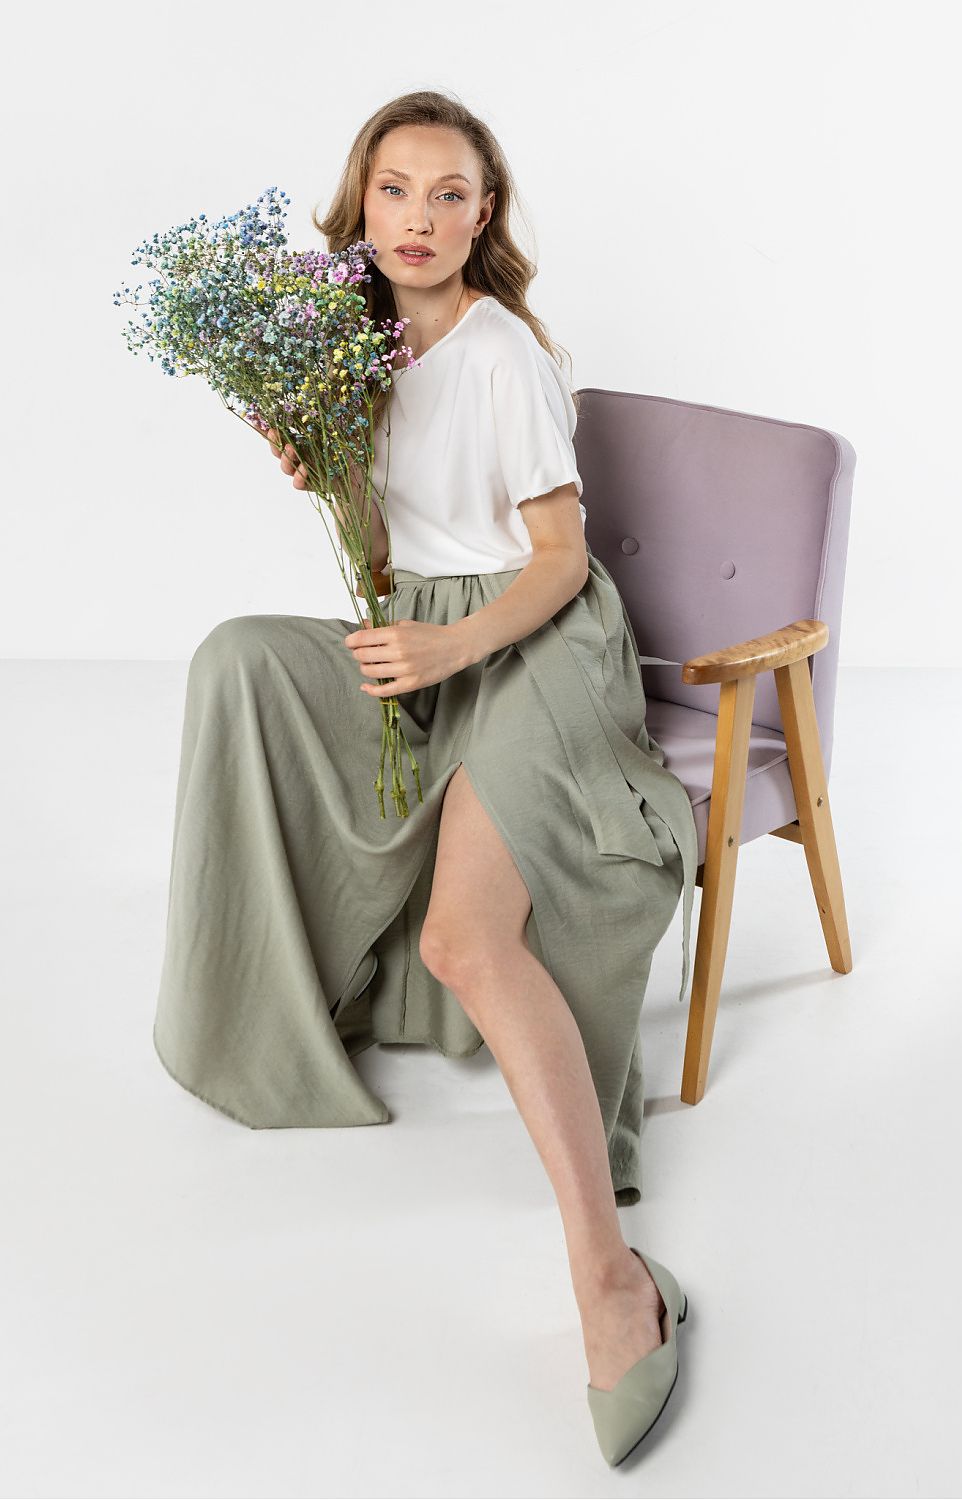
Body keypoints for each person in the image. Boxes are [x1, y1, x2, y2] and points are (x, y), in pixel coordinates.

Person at [152, 90, 696, 1466]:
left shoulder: (506, 354)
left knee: (468, 934)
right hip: (427, 630)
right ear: (364, 202)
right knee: (238, 662)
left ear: (484, 215)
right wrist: (318, 465)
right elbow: (391, 521)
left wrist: (453, 641)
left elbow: (560, 560)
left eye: (450, 194)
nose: (419, 218)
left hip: (533, 641)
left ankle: (610, 1277)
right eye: (396, 190)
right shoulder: (349, 338)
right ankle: (274, 999)